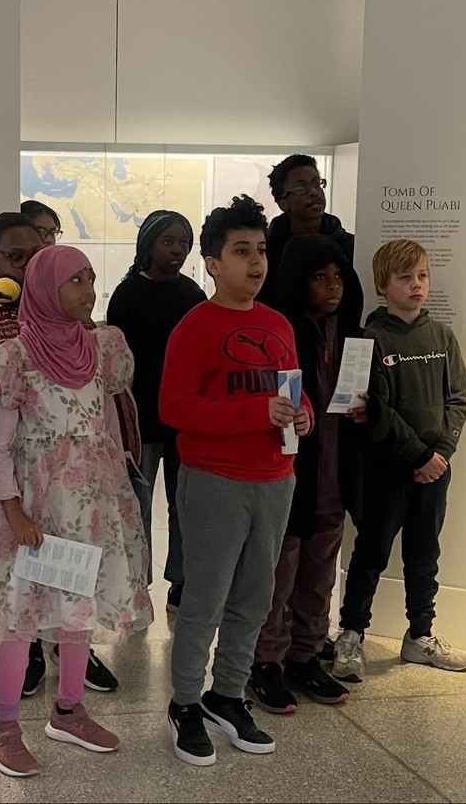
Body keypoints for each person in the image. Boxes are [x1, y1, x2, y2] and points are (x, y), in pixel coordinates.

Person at [0, 245, 152, 778]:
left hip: (87, 506)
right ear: (44, 289)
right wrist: (13, 511)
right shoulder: (15, 358)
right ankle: (3, 726)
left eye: (91, 278)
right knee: (21, 616)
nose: (89, 290)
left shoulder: (101, 348)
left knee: (77, 607)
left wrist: (115, 495)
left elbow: (106, 427)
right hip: (35, 508)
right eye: (75, 280)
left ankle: (69, 709)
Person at [160, 194, 314, 767]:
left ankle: (227, 694)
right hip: (214, 482)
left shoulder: (277, 324)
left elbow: (293, 393)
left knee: (255, 597)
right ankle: (184, 703)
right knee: (205, 598)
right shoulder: (194, 327)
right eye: (241, 251)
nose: (256, 262)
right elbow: (174, 407)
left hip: (276, 479)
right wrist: (256, 413)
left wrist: (303, 415)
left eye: (261, 250)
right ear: (213, 263)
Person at [0, 213, 119, 697]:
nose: (24, 266)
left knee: (75, 599)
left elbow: (103, 420)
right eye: (15, 257)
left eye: (34, 256)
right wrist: (4, 493)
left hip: (78, 500)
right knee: (21, 603)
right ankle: (15, 700)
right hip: (20, 491)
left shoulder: (92, 341)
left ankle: (71, 697)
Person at [332, 239, 466, 683]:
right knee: (371, 552)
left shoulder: (442, 336)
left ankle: (420, 636)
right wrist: (419, 455)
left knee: (424, 554)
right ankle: (351, 634)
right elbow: (373, 410)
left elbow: (458, 399)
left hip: (435, 471)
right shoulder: (369, 339)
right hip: (386, 470)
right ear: (382, 284)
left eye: (422, 276)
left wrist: (440, 454)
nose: (416, 285)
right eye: (405, 277)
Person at [249, 235, 364, 713]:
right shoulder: (281, 334)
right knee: (279, 576)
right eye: (319, 277)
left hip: (335, 480)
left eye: (338, 276)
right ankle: (266, 661)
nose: (332, 286)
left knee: (320, 576)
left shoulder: (352, 334)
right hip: (292, 478)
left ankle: (305, 654)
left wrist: (369, 409)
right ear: (298, 281)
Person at [106, 209, 206, 610]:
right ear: (148, 245)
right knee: (137, 505)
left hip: (184, 421)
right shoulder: (127, 294)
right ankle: (136, 582)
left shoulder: (193, 295)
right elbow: (117, 363)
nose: (177, 250)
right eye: (168, 241)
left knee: (186, 505)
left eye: (184, 242)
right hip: (140, 420)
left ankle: (182, 580)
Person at [257, 154, 354, 309]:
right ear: (283, 203)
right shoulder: (268, 250)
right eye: (301, 188)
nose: (314, 192)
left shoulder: (349, 246)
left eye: (317, 183)